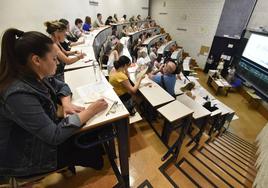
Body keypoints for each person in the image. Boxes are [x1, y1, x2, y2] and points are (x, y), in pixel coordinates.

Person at [0, 28, 108, 177]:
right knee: (90, 138)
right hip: (28, 158)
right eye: (53, 59)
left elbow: (61, 86)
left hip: (39, 139)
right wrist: (90, 111)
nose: (57, 63)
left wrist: (66, 104)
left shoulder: (33, 74)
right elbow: (54, 135)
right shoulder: (17, 95)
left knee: (94, 129)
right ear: (36, 60)